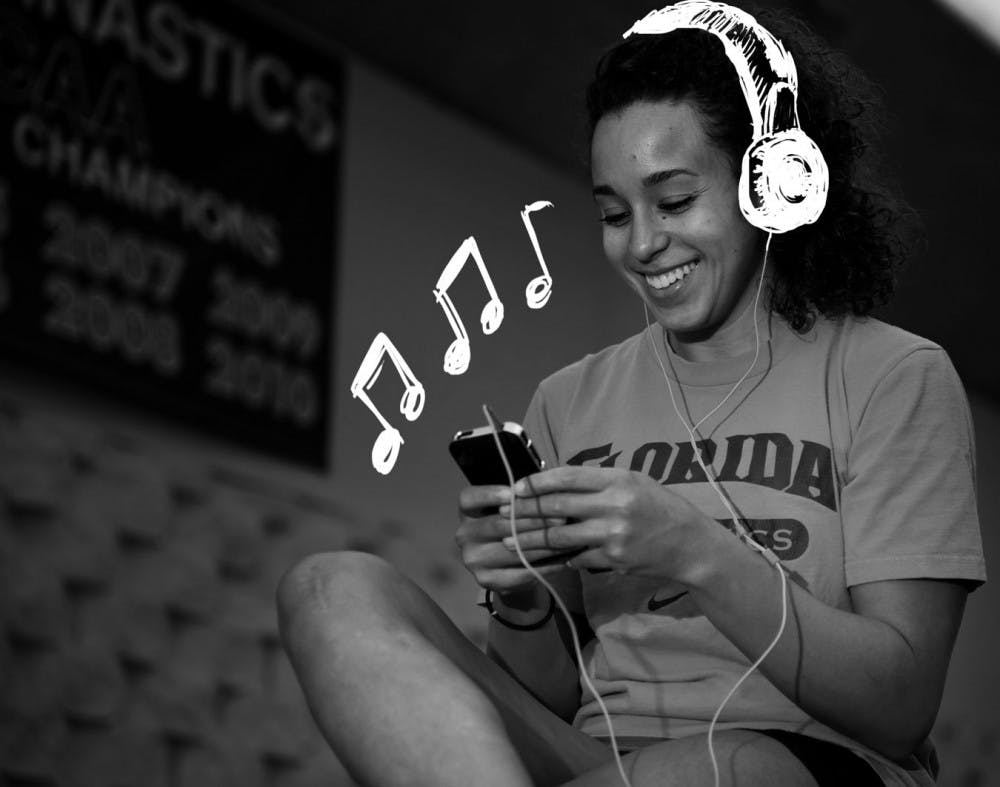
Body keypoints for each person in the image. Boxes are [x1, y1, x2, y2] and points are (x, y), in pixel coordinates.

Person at [276, 3, 986, 785]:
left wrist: (694, 550)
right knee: (329, 585)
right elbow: (547, 693)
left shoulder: (895, 376)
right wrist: (519, 597)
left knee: (724, 764)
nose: (641, 244)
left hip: (797, 765)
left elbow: (900, 704)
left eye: (675, 201)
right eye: (614, 213)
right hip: (598, 763)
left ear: (769, 182)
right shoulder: (569, 397)